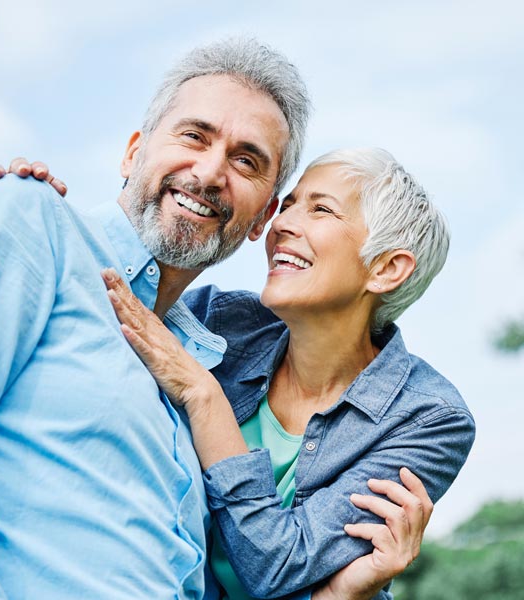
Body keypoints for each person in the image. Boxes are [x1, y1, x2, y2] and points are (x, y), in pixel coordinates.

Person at [0, 38, 427, 600]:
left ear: (263, 217)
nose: (211, 172)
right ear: (132, 152)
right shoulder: (29, 219)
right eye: (194, 135)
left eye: (246, 160)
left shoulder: (211, 371)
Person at [99, 148, 476, 599]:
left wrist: (205, 396)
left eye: (320, 209)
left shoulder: (428, 418)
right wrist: (26, 213)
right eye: (289, 203)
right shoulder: (219, 320)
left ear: (386, 268)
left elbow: (277, 568)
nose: (281, 225)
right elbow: (98, 304)